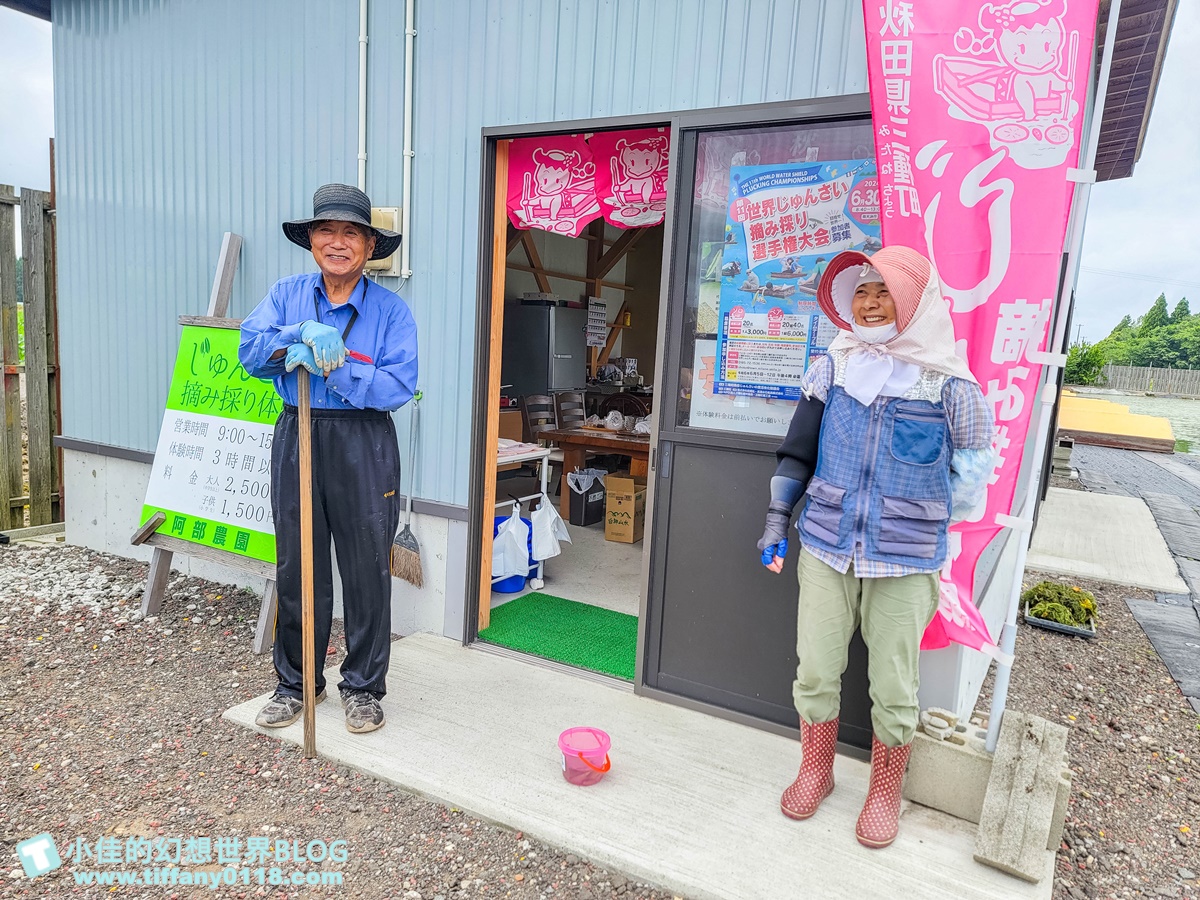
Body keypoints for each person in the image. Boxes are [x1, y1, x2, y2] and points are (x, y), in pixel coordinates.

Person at [756, 245, 993, 848]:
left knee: (894, 685)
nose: (868, 303)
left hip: (906, 559)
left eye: (883, 291)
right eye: (861, 292)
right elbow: (797, 452)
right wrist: (777, 521)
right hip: (828, 545)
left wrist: (921, 523)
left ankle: (884, 792)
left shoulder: (950, 386)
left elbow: (969, 479)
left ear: (914, 301)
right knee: (815, 668)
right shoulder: (831, 368)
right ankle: (816, 771)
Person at [239, 184, 418, 734]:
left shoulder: (391, 310)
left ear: (368, 247)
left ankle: (363, 687)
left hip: (364, 442)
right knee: (299, 565)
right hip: (299, 434)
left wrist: (332, 368)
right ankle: (297, 682)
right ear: (311, 240)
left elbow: (397, 387)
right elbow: (250, 351)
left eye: (351, 233)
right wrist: (296, 335)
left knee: (366, 570)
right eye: (327, 231)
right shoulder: (287, 294)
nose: (337, 243)